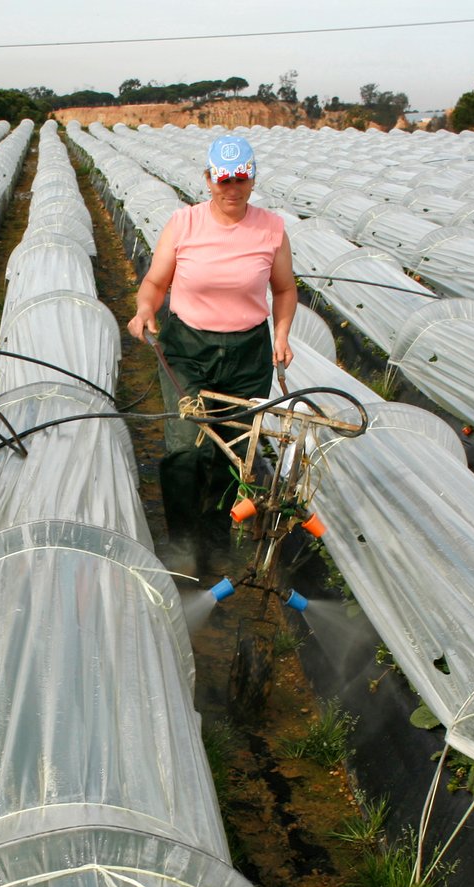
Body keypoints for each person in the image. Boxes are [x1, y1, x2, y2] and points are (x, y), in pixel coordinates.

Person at [126, 134, 296, 573]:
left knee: (233, 448)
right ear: (208, 179)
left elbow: (284, 288)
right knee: (186, 447)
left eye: (241, 179)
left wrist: (282, 334)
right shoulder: (184, 224)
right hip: (188, 349)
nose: (232, 188)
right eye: (223, 180)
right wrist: (145, 310)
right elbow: (154, 283)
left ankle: (216, 535)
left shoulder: (271, 228)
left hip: (247, 354)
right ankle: (182, 541)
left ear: (252, 179)